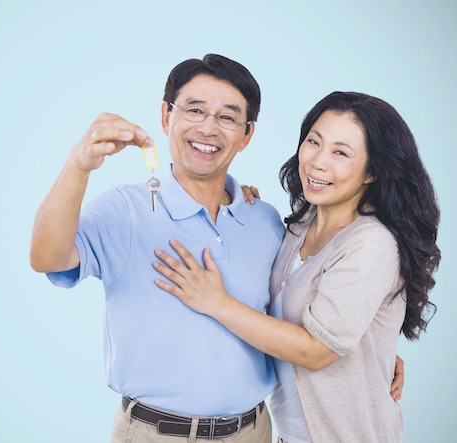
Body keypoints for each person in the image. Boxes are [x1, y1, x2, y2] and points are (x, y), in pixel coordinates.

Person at [152, 91, 440, 442]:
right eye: (313, 142)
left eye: (341, 153)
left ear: (372, 172)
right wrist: (232, 198)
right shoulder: (302, 223)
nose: (318, 162)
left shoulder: (371, 243)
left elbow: (316, 351)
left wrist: (216, 303)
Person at [30, 54, 285, 442]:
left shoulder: (265, 220)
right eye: (194, 109)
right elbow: (47, 258)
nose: (208, 128)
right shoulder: (124, 210)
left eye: (227, 117)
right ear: (166, 116)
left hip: (253, 430)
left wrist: (371, 357)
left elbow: (299, 316)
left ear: (247, 135)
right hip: (154, 434)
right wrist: (78, 166)